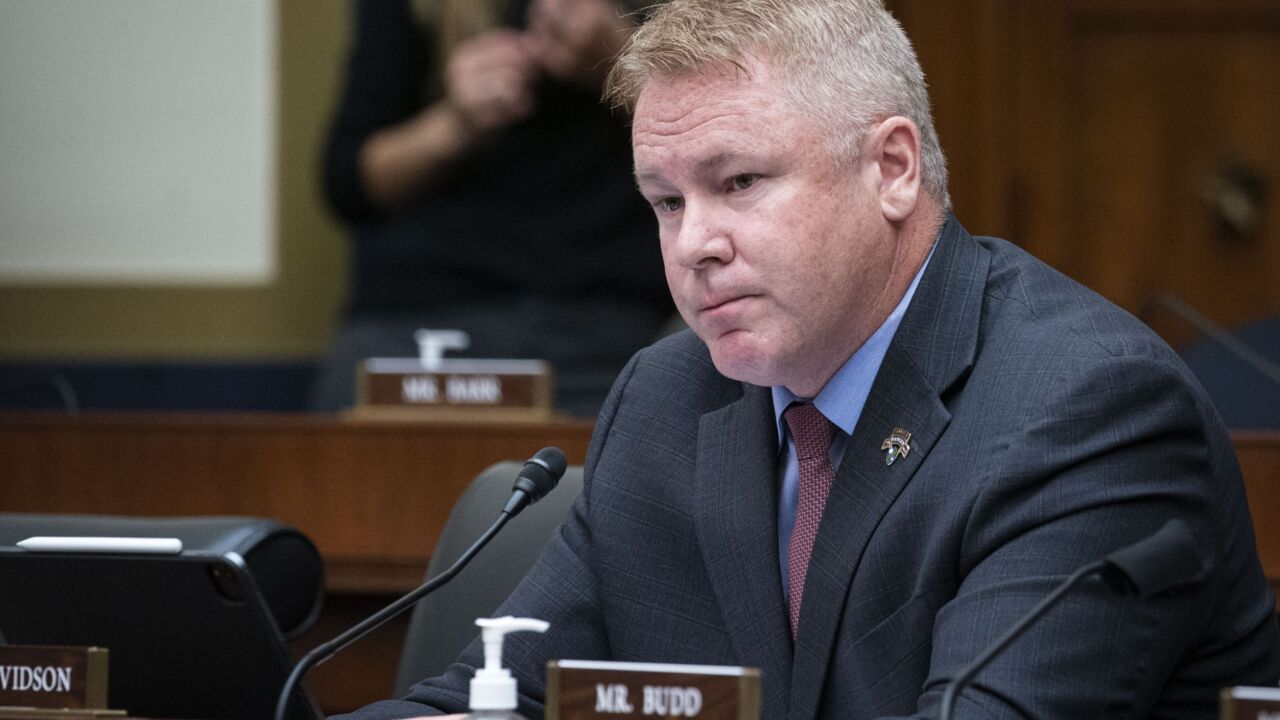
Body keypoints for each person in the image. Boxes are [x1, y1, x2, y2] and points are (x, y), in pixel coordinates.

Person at [340, 1, 1280, 717]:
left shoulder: (1087, 410)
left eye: (739, 182)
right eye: (666, 202)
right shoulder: (670, 395)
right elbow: (495, 696)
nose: (692, 244)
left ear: (894, 169)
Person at [311, 0, 673, 417]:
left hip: (606, 323)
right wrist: (456, 122)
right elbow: (350, 183)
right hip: (423, 316)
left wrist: (621, 60)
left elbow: (722, 136)